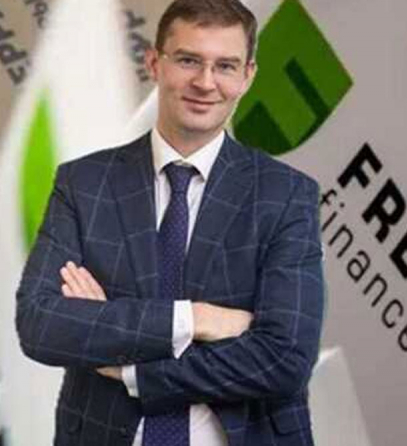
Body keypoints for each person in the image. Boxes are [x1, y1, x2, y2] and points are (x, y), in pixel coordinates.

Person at [15, 0, 325, 445]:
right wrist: (196, 319)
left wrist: (130, 366)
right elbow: (41, 325)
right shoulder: (84, 184)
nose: (205, 82)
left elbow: (285, 359)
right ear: (154, 64)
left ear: (247, 76)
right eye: (188, 60)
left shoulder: (287, 195)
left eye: (225, 66)